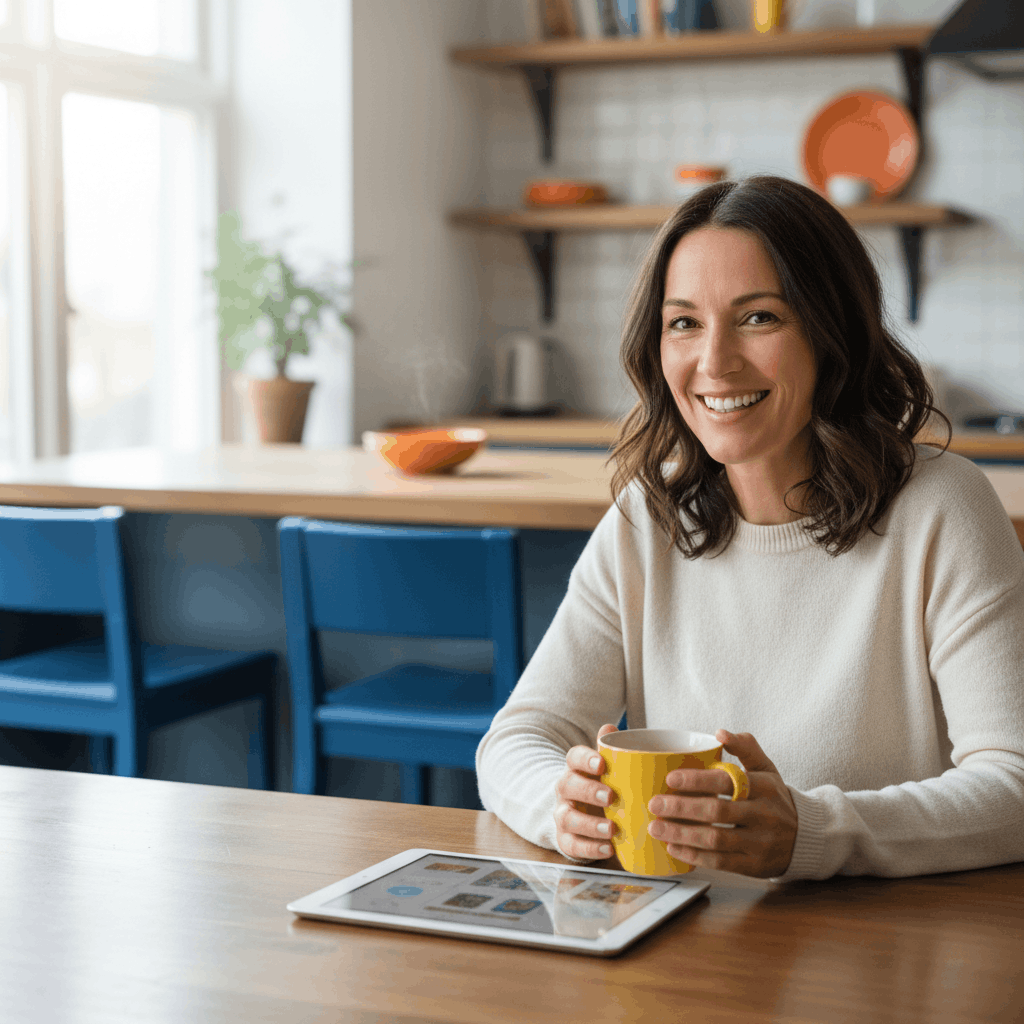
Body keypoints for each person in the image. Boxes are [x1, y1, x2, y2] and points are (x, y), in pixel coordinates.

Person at [475, 175, 1024, 881]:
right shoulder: (648, 518)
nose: (714, 362)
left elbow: (1014, 783)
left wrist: (813, 831)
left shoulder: (943, 509)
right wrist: (562, 806)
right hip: (690, 929)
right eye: (684, 323)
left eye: (759, 317)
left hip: (888, 937)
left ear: (832, 334)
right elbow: (518, 739)